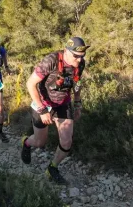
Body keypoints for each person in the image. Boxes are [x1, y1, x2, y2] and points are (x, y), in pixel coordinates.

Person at [21, 37, 90, 185]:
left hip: (63, 104)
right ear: (66, 51)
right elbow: (30, 83)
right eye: (76, 56)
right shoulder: (51, 61)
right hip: (43, 103)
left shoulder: (80, 64)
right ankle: (27, 143)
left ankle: (52, 168)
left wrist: (77, 104)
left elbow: (77, 84)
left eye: (82, 56)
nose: (79, 60)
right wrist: (42, 109)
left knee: (66, 141)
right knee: (40, 142)